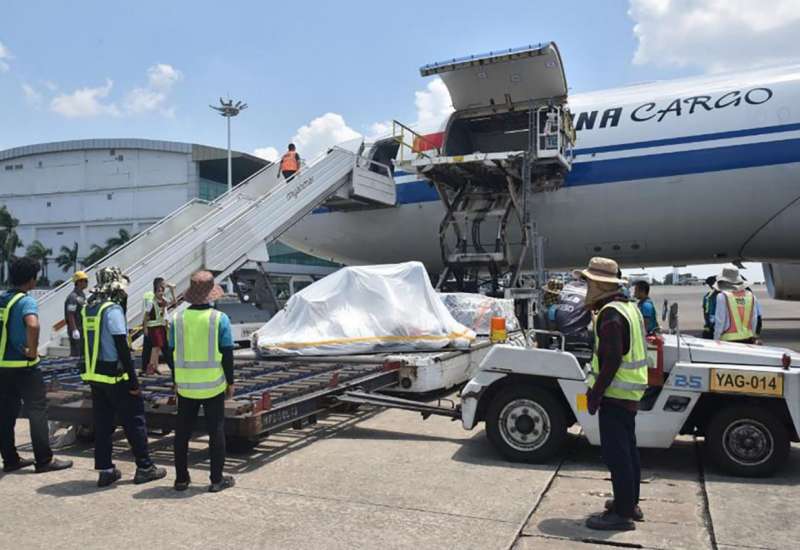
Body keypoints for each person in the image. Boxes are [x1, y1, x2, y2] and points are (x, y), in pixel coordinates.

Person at [576, 257, 648, 531]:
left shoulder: (610, 315)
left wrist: (595, 395)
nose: (587, 288)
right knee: (628, 451)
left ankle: (622, 515)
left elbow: (613, 359)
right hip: (629, 394)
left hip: (615, 395)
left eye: (589, 283)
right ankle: (630, 503)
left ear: (601, 284)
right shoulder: (629, 308)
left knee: (617, 455)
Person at [81, 267, 166, 487]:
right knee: (134, 420)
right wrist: (133, 381)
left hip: (96, 375)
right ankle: (145, 467)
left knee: (103, 424)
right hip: (116, 376)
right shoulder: (112, 310)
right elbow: (122, 347)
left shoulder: (89, 308)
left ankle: (106, 470)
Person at [0, 257, 73, 473]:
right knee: (37, 411)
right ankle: (44, 460)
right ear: (31, 279)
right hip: (24, 367)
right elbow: (33, 325)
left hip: (2, 366)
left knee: (5, 414)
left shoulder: (3, 299)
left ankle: (10, 459)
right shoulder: (26, 301)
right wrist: (32, 351)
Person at [171, 270, 236, 493]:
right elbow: (227, 354)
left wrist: (175, 379)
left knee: (182, 433)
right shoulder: (219, 319)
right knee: (216, 431)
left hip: (185, 387)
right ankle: (216, 480)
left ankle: (181, 479)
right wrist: (230, 382)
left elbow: (171, 352)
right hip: (213, 386)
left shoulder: (177, 319)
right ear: (211, 294)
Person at [713, 267, 762, 344]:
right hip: (748, 338)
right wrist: (752, 334)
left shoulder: (722, 296)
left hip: (728, 340)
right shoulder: (751, 296)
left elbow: (720, 320)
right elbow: (754, 319)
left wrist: (716, 338)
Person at [544, 278, 592, 350]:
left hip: (560, 338)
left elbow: (553, 327)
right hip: (568, 338)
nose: (545, 295)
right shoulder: (556, 307)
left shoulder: (553, 308)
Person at [143, 277, 175, 375]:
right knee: (156, 347)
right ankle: (151, 367)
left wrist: (172, 291)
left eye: (162, 291)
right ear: (155, 292)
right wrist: (145, 328)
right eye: (158, 291)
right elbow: (146, 316)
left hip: (161, 326)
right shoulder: (151, 302)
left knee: (159, 347)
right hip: (153, 327)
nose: (160, 293)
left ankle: (153, 367)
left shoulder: (163, 300)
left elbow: (174, 302)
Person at [65, 271, 89, 357]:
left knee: (82, 352)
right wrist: (74, 330)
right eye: (85, 280)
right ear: (78, 282)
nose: (86, 283)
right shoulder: (73, 297)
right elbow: (70, 314)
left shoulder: (82, 295)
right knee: (76, 353)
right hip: (77, 328)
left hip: (82, 328)